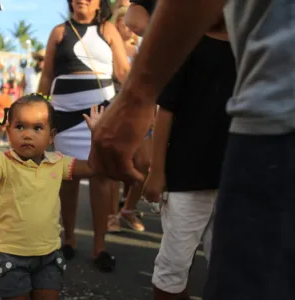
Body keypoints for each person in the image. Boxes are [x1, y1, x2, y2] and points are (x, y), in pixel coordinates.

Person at [89, 0, 295, 299]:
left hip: (235, 170)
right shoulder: (191, 49)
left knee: (230, 267)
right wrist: (157, 172)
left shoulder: (248, 47)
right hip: (190, 174)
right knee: (177, 264)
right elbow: (166, 112)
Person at [0, 94, 103, 300]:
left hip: (49, 254)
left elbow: (92, 167)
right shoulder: (4, 162)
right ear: (8, 131)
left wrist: (96, 136)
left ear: (52, 135)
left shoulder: (59, 162)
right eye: (20, 127)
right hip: (11, 256)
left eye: (37, 128)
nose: (27, 134)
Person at [38, 0, 130, 272]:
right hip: (64, 114)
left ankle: (99, 246)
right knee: (68, 176)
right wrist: (37, 113)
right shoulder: (58, 32)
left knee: (101, 176)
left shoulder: (109, 30)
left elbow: (123, 71)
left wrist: (142, 103)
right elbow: (46, 76)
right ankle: (69, 239)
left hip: (101, 113)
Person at [107, 4, 149, 233]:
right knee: (115, 164)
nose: (128, 28)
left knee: (143, 163)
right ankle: (112, 215)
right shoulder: (108, 47)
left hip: (140, 109)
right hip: (115, 108)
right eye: (123, 23)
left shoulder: (141, 50)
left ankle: (128, 208)